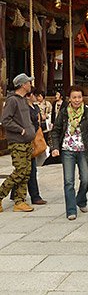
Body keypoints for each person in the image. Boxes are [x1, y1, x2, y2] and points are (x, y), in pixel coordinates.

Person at [50, 85, 88, 220]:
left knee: (86, 179)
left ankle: (81, 199)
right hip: (67, 150)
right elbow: (56, 130)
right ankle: (71, 210)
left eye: (79, 97)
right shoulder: (64, 112)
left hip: (84, 150)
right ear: (69, 99)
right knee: (69, 181)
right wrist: (55, 147)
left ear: (83, 98)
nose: (77, 100)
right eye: (74, 97)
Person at [0, 74, 36, 213]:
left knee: (26, 173)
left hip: (27, 141)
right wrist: (20, 130)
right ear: (22, 85)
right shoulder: (13, 101)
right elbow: (6, 120)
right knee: (20, 171)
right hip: (17, 142)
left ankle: (19, 201)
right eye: (28, 82)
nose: (30, 84)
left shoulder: (23, 100)